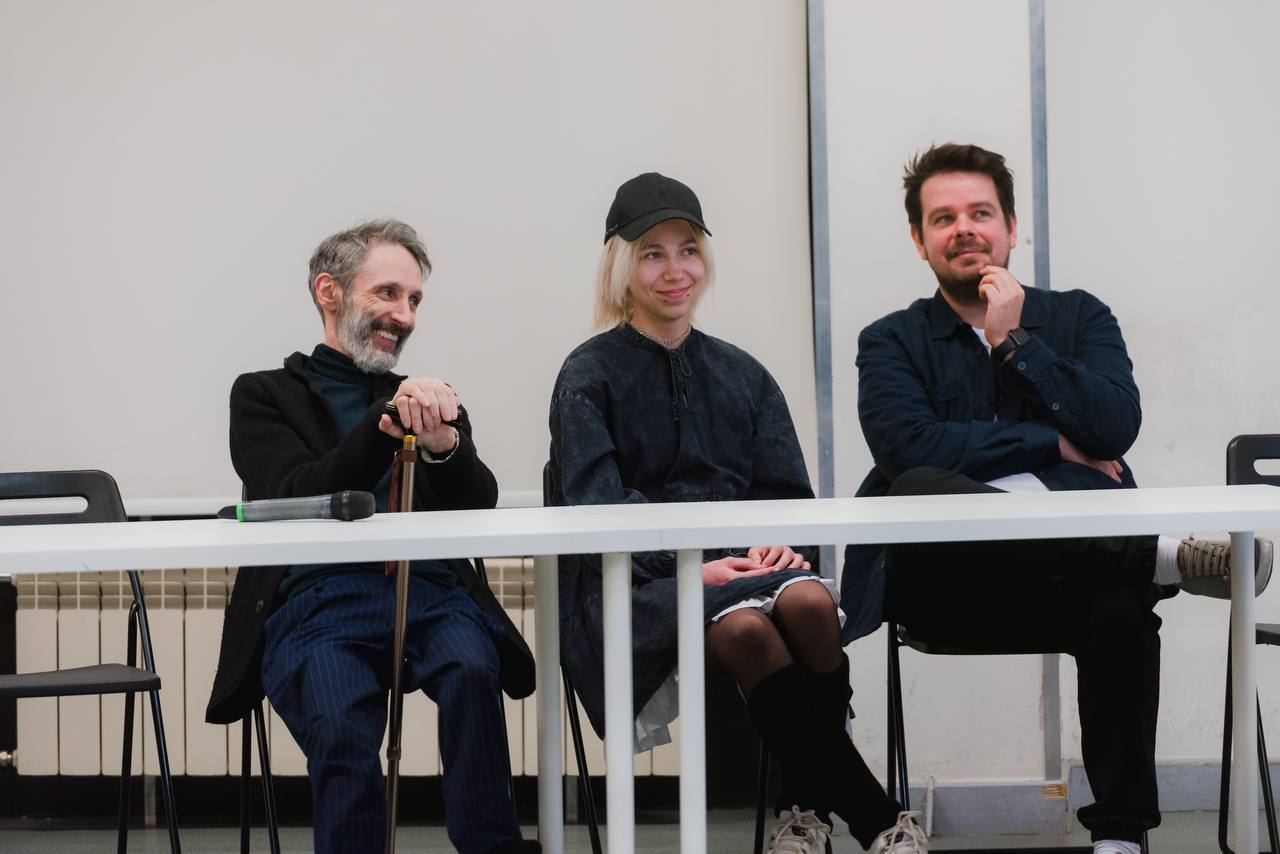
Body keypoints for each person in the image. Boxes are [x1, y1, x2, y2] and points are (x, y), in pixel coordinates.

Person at [841, 143, 1272, 854]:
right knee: (914, 490)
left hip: (1068, 583)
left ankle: (1120, 839)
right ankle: (1156, 554)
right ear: (919, 240)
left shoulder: (1079, 317)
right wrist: (1052, 445)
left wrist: (1017, 344)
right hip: (946, 585)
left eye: (980, 213)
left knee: (1120, 610)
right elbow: (909, 451)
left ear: (1011, 226)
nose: (964, 228)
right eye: (943, 218)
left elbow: (1114, 427)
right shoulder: (890, 339)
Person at [549, 173, 927, 854]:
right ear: (622, 265)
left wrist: (777, 544)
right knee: (750, 630)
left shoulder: (743, 374)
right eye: (653, 253)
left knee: (811, 602)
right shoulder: (587, 374)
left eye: (688, 250)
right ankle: (878, 818)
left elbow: (787, 497)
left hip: (746, 568)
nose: (674, 271)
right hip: (639, 584)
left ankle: (803, 810)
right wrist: (689, 565)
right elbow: (595, 507)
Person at [205, 219, 538, 854]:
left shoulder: (426, 399)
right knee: (340, 722)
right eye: (387, 293)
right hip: (319, 600)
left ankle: (494, 847)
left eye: (413, 300)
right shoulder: (264, 394)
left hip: (431, 593)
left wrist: (444, 443)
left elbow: (477, 506)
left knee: (472, 671)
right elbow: (294, 492)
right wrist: (384, 428)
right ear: (328, 291)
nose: (403, 316)